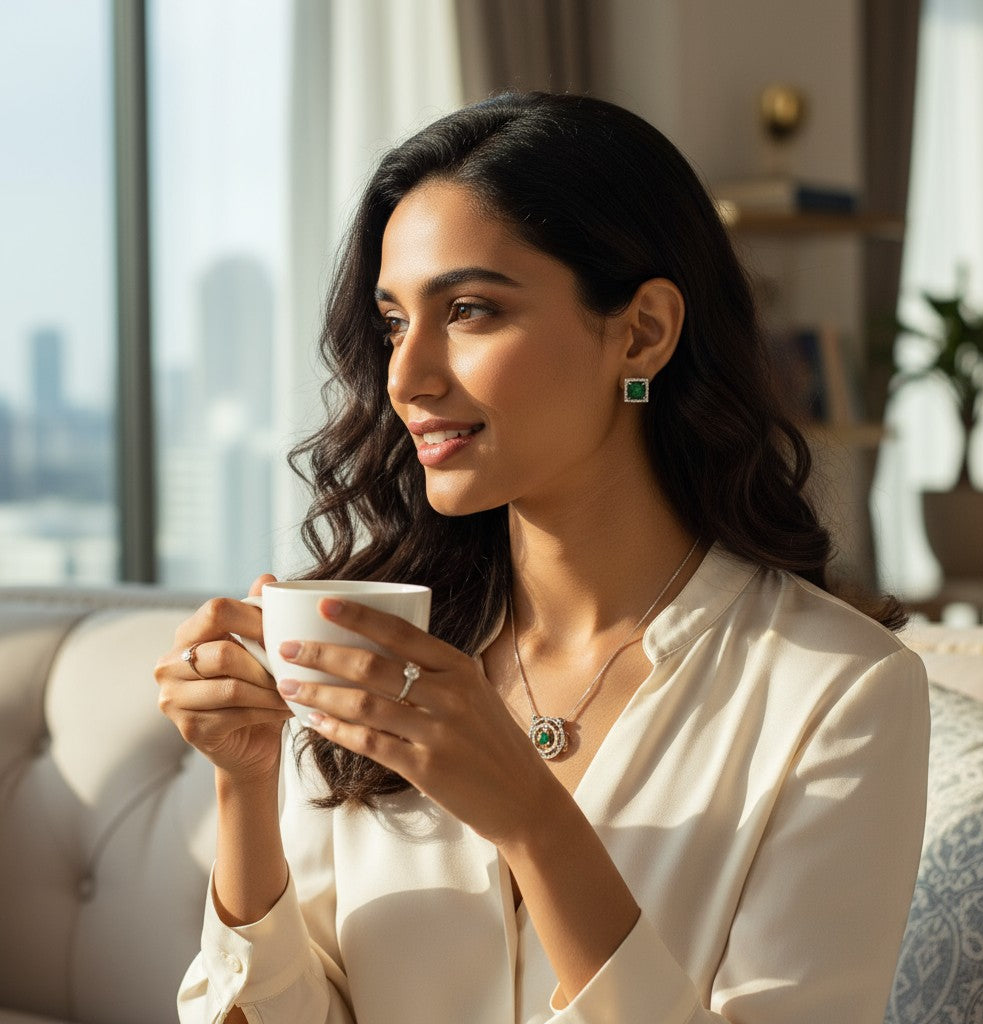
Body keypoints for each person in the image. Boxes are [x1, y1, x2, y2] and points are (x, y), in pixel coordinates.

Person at [156, 91, 929, 1024]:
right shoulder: (377, 646)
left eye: (471, 310)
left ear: (641, 331)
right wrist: (246, 785)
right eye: (395, 320)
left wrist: (531, 817)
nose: (405, 375)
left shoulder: (842, 693)